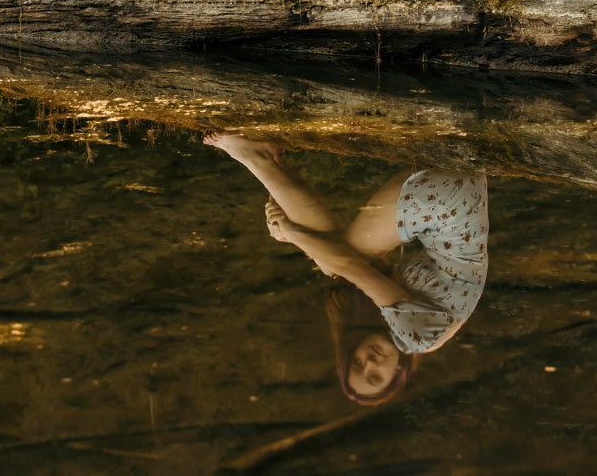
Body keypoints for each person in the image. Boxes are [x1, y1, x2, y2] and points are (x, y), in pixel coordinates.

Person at [204, 132, 489, 406]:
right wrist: (290, 233)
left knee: (337, 258)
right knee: (336, 262)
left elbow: (354, 266)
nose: (369, 361)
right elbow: (348, 265)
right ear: (399, 374)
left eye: (357, 363)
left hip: (457, 191)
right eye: (375, 376)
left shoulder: (409, 330)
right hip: (448, 198)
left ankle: (270, 161)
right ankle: (262, 160)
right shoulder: (417, 338)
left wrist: (295, 231)